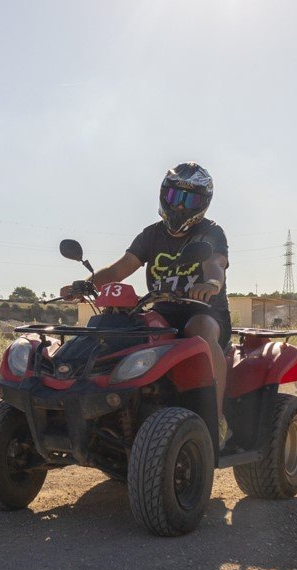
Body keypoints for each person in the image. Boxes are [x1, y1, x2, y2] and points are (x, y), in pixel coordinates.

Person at [61, 162, 233, 448]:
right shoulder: (151, 235)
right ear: (163, 196)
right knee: (122, 333)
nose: (178, 207)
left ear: (202, 204)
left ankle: (215, 419)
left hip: (204, 312)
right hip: (161, 313)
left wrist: (212, 284)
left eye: (188, 200)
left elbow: (216, 264)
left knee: (198, 328)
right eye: (173, 197)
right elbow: (119, 270)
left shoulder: (211, 233)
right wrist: (87, 284)